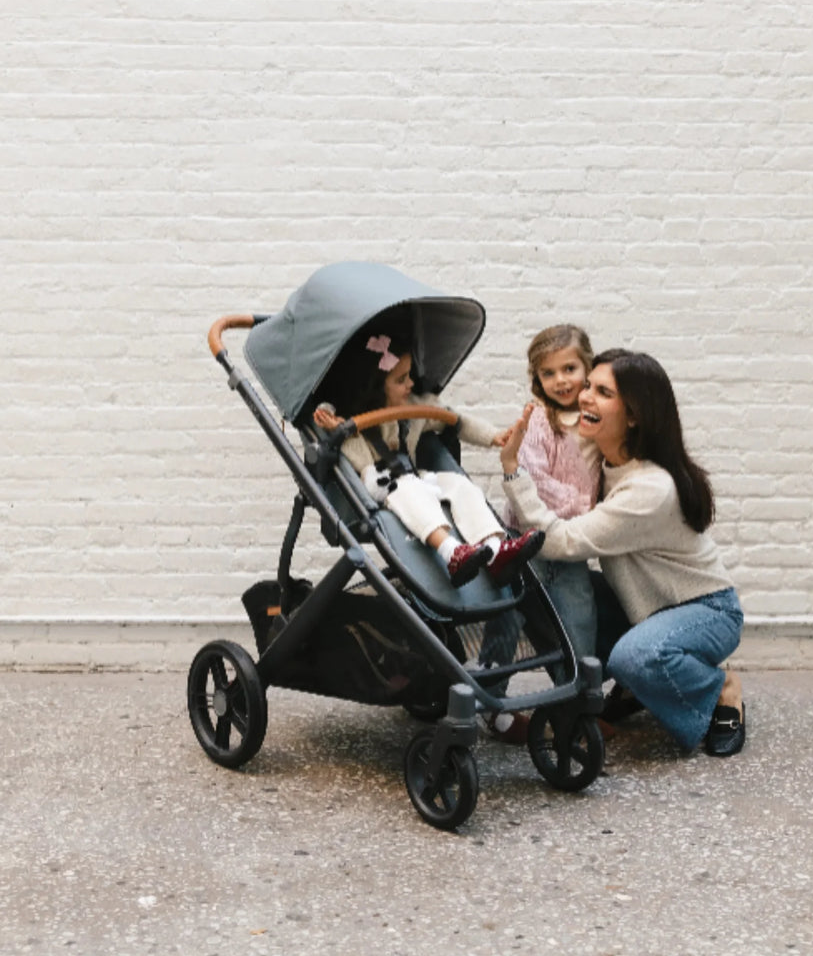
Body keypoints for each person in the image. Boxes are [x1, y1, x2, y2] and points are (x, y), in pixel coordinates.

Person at [500, 348, 746, 756]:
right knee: (542, 597)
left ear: (633, 415)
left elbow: (563, 539)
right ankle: (630, 688)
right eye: (588, 386)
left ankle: (721, 689)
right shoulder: (601, 459)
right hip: (642, 606)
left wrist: (513, 470)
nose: (583, 396)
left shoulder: (649, 488)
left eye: (602, 392)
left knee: (636, 657)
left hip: (705, 610)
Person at [313, 324, 543, 589]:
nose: (410, 383)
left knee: (459, 484)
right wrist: (331, 419)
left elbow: (454, 420)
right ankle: (451, 553)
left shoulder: (415, 407)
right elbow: (323, 414)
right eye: (400, 380)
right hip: (379, 486)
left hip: (412, 474)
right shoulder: (352, 418)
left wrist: (494, 436)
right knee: (408, 487)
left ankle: (495, 550)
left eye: (409, 376)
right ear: (376, 385)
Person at [504, 324, 602, 658]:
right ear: (537, 378)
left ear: (588, 367)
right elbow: (534, 480)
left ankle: (580, 699)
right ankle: (488, 700)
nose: (560, 381)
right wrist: (586, 507)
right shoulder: (539, 420)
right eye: (549, 373)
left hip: (570, 545)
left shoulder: (597, 418)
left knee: (579, 619)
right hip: (527, 540)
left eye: (569, 369)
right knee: (508, 619)